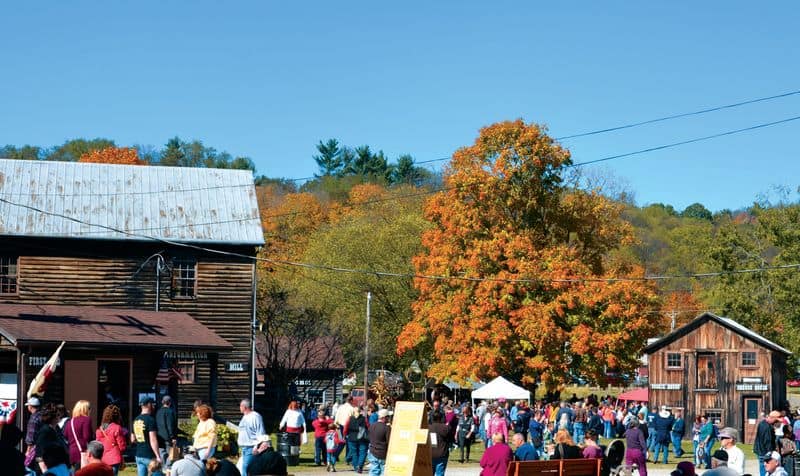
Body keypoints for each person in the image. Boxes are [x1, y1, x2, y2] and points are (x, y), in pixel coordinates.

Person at [35, 403, 69, 474]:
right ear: (53, 417)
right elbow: (39, 454)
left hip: (58, 469)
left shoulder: (56, 429)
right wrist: (45, 471)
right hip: (49, 471)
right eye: (58, 415)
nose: (60, 416)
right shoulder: (45, 431)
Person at [133, 397, 161, 476]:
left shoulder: (136, 420)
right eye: (152, 404)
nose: (153, 406)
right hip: (149, 455)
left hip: (138, 454)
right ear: (149, 405)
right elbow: (153, 439)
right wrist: (158, 456)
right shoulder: (150, 420)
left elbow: (132, 439)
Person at [237, 398, 266, 473]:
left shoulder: (255, 417)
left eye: (240, 406)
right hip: (244, 448)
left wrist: (256, 447)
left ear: (244, 407)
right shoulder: (245, 416)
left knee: (245, 468)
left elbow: (260, 433)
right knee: (242, 468)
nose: (239, 408)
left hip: (251, 448)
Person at [96, 405, 127, 476]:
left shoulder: (99, 429)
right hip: (114, 458)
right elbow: (122, 446)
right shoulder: (117, 428)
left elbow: (97, 444)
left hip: (102, 458)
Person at [66, 400, 93, 470]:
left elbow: (66, 436)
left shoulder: (70, 422)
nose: (90, 410)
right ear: (85, 409)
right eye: (89, 408)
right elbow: (87, 437)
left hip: (72, 453)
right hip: (82, 452)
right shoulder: (86, 420)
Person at [756, 411, 781, 476]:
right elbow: (768, 442)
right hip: (765, 453)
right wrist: (771, 454)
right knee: (766, 472)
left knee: (763, 470)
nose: (776, 422)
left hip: (761, 451)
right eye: (776, 420)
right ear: (772, 418)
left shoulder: (762, 423)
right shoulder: (767, 427)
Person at [155, 396, 177, 468]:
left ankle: (163, 469)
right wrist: (173, 437)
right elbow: (170, 425)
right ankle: (167, 470)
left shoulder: (158, 412)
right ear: (170, 403)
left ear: (162, 402)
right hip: (168, 437)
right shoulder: (170, 412)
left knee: (162, 454)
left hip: (159, 437)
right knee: (170, 455)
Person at [346, 406, 369, 473]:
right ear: (360, 411)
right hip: (362, 438)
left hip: (352, 437)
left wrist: (346, 435)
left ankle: (356, 467)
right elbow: (368, 426)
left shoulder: (349, 418)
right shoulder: (364, 419)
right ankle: (360, 465)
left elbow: (345, 428)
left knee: (354, 453)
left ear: (353, 412)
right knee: (363, 452)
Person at [368, 409, 391, 476]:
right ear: (384, 417)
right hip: (382, 452)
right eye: (388, 417)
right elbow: (389, 441)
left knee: (373, 470)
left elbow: (369, 437)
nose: (389, 418)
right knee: (383, 471)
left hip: (372, 451)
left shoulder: (372, 426)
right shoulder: (386, 428)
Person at [430, 410, 452, 476]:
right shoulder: (446, 428)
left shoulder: (428, 427)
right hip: (442, 454)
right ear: (442, 418)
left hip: (431, 454)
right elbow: (451, 439)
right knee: (440, 474)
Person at [24, 396, 43, 471]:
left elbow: (31, 436)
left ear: (31, 407)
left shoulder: (33, 418)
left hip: (36, 450)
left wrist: (28, 450)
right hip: (44, 448)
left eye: (28, 405)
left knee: (33, 468)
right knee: (42, 467)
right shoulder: (43, 416)